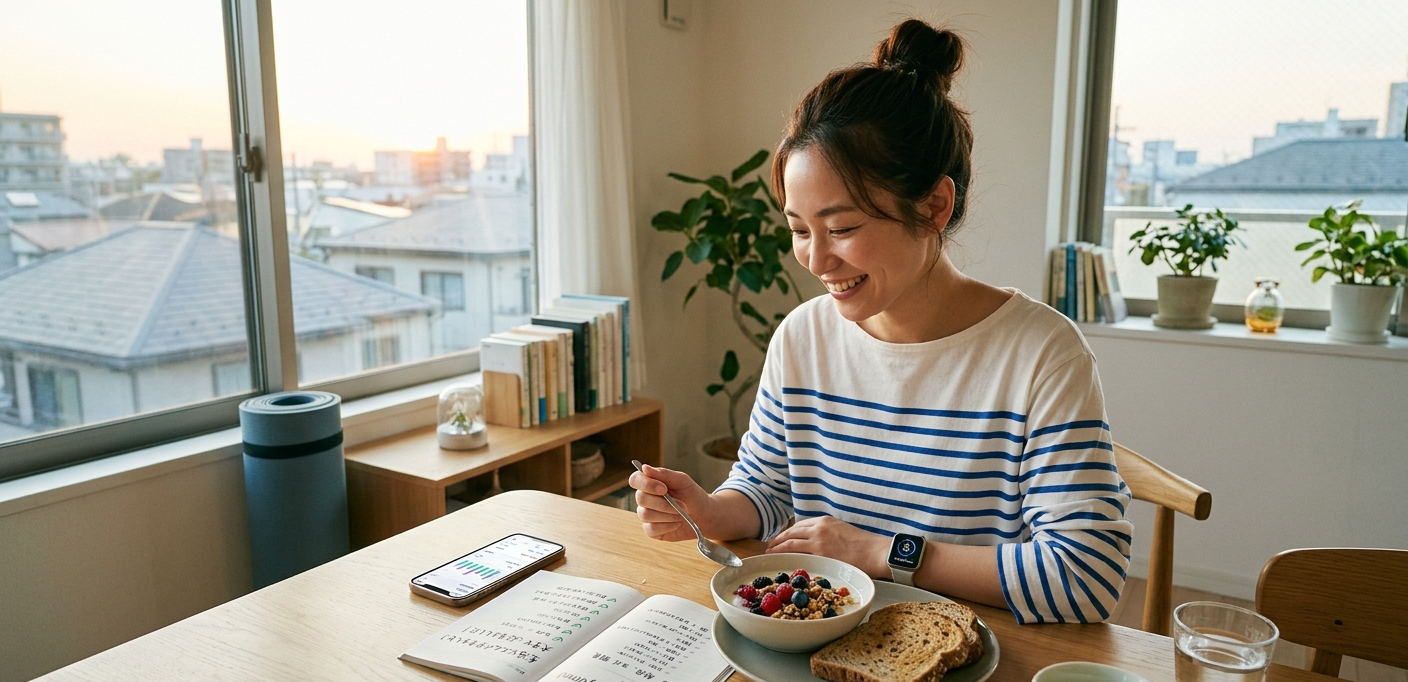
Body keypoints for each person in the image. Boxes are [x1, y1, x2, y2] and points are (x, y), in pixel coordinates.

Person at [629, 19, 1131, 624]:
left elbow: (1088, 576)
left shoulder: (1040, 354)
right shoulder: (803, 338)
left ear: (934, 206)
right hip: (826, 644)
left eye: (842, 228)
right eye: (798, 229)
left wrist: (879, 553)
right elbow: (768, 490)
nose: (816, 259)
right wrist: (710, 512)